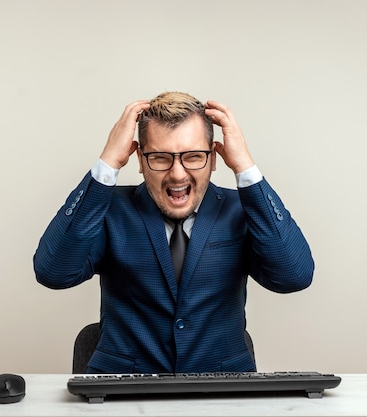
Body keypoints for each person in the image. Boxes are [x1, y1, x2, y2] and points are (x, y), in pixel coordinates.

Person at [33, 91, 314, 374]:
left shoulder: (242, 209)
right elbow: (53, 272)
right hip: (123, 393)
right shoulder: (109, 209)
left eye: (193, 157)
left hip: (224, 393)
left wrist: (246, 168)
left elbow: (294, 276)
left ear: (214, 159)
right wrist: (107, 163)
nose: (178, 174)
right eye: (159, 157)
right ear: (140, 161)